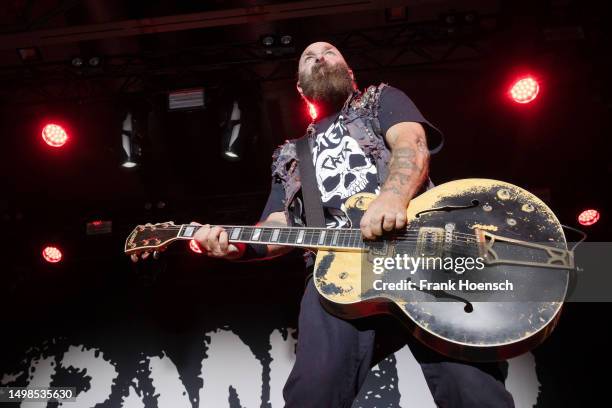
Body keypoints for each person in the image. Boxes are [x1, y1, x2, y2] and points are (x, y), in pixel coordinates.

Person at [134, 41, 514, 407]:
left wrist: (393, 196)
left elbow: (411, 143)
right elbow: (278, 225)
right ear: (299, 87)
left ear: (350, 73)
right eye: (308, 56)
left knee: (473, 391)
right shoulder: (290, 155)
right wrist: (230, 244)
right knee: (313, 394)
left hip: (418, 257)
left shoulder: (380, 100)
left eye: (329, 52)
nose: (319, 57)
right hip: (337, 277)